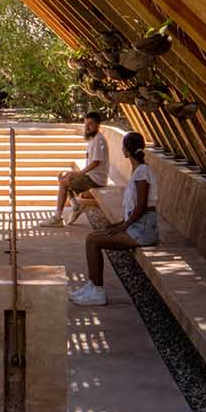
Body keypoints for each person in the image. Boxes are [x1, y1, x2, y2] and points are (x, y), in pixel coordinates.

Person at [68, 130, 158, 305]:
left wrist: (123, 227)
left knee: (94, 241)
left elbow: (141, 206)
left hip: (142, 230)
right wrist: (120, 223)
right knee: (92, 238)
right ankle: (93, 286)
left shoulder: (142, 173)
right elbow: (136, 208)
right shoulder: (139, 170)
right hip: (136, 226)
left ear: (126, 151)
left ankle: (97, 292)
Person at [43, 111, 109, 227]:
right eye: (86, 124)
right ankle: (75, 206)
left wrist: (78, 173)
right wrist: (74, 174)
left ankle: (58, 217)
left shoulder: (99, 140)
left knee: (64, 183)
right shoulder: (93, 139)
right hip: (92, 176)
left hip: (96, 179)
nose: (87, 127)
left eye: (90, 124)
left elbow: (95, 163)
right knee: (64, 177)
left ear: (98, 125)